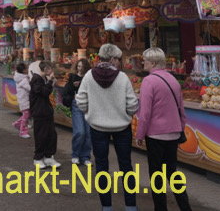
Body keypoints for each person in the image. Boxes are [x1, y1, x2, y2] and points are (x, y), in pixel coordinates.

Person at [76, 43, 140, 211]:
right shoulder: (122, 77)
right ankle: (131, 206)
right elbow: (133, 104)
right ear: (112, 59)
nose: (119, 62)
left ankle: (106, 207)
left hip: (97, 128)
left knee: (102, 167)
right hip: (122, 128)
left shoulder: (89, 76)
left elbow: (80, 100)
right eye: (118, 59)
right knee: (126, 166)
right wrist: (126, 115)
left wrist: (90, 113)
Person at [135, 47, 192, 211]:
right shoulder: (173, 80)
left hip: (156, 135)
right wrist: (180, 128)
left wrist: (139, 134)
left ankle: (160, 208)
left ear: (153, 63)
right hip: (173, 133)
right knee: (172, 173)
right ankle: (185, 207)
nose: (143, 63)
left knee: (156, 175)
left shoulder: (149, 81)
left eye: (145, 60)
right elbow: (181, 109)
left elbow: (145, 113)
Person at [30, 60, 61, 168]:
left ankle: (48, 157)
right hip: (40, 112)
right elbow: (44, 92)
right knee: (41, 136)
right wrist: (50, 81)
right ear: (46, 69)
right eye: (51, 68)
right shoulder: (36, 79)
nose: (52, 71)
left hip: (46, 112)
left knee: (51, 135)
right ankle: (38, 158)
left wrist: (49, 81)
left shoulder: (43, 79)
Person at [62, 57, 92, 165]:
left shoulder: (89, 77)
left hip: (88, 106)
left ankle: (85, 156)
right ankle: (75, 154)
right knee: (80, 131)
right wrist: (72, 86)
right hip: (76, 105)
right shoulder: (72, 76)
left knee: (88, 133)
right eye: (79, 66)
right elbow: (66, 91)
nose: (80, 69)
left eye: (82, 67)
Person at [12, 62, 31, 138]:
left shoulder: (19, 77)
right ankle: (23, 131)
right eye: (26, 68)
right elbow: (29, 88)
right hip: (25, 99)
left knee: (26, 114)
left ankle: (17, 124)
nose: (27, 69)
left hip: (22, 99)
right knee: (26, 115)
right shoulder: (24, 79)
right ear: (23, 70)